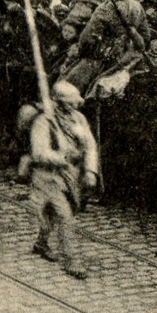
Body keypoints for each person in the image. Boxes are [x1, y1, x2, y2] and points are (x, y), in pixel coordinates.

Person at [27, 81, 100, 279]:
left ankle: (41, 242)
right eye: (68, 104)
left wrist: (91, 171)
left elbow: (90, 146)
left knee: (52, 213)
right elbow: (39, 152)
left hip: (71, 176)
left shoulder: (79, 120)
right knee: (65, 216)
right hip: (48, 176)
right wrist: (61, 157)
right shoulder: (44, 122)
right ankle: (72, 260)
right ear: (58, 103)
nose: (73, 107)